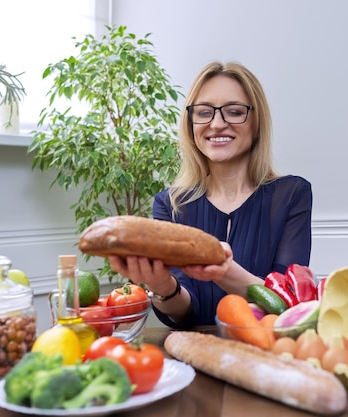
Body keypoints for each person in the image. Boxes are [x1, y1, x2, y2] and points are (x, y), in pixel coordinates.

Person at [108, 62, 312, 328]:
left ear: (257, 121)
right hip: (192, 357)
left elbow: (288, 305)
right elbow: (185, 312)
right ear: (191, 123)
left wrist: (224, 270)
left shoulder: (291, 195)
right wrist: (161, 286)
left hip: (265, 354)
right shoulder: (170, 205)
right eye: (204, 112)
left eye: (234, 111)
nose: (217, 124)